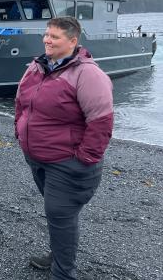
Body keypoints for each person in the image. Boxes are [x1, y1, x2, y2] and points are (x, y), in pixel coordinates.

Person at [14, 16, 113, 280]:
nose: (47, 40)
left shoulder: (88, 74)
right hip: (37, 156)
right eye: (46, 35)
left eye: (54, 36)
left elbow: (101, 121)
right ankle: (57, 254)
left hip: (67, 162)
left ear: (73, 41)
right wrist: (19, 132)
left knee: (60, 214)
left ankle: (64, 273)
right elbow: (21, 103)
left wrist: (84, 159)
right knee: (55, 213)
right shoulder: (36, 67)